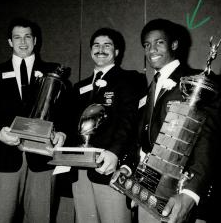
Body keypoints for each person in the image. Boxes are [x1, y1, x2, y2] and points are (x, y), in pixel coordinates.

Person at [111, 18, 221, 223]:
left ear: (174, 44)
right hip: (146, 190)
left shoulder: (197, 82)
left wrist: (191, 193)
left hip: (179, 194)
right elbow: (142, 137)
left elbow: (208, 140)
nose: (152, 49)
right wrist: (128, 167)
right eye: (147, 44)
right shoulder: (148, 89)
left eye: (159, 42)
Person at [0, 18, 68, 223]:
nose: (23, 42)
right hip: (6, 156)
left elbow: (65, 110)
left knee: (40, 217)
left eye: (27, 37)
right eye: (17, 37)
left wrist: (62, 132)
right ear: (10, 42)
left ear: (35, 40)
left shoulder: (53, 71)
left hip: (42, 157)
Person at [69, 27, 146, 223]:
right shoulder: (79, 87)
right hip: (80, 170)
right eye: (96, 45)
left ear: (117, 52)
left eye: (107, 45)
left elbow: (130, 121)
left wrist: (115, 153)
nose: (101, 49)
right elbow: (70, 124)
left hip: (111, 167)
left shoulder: (130, 79)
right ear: (90, 51)